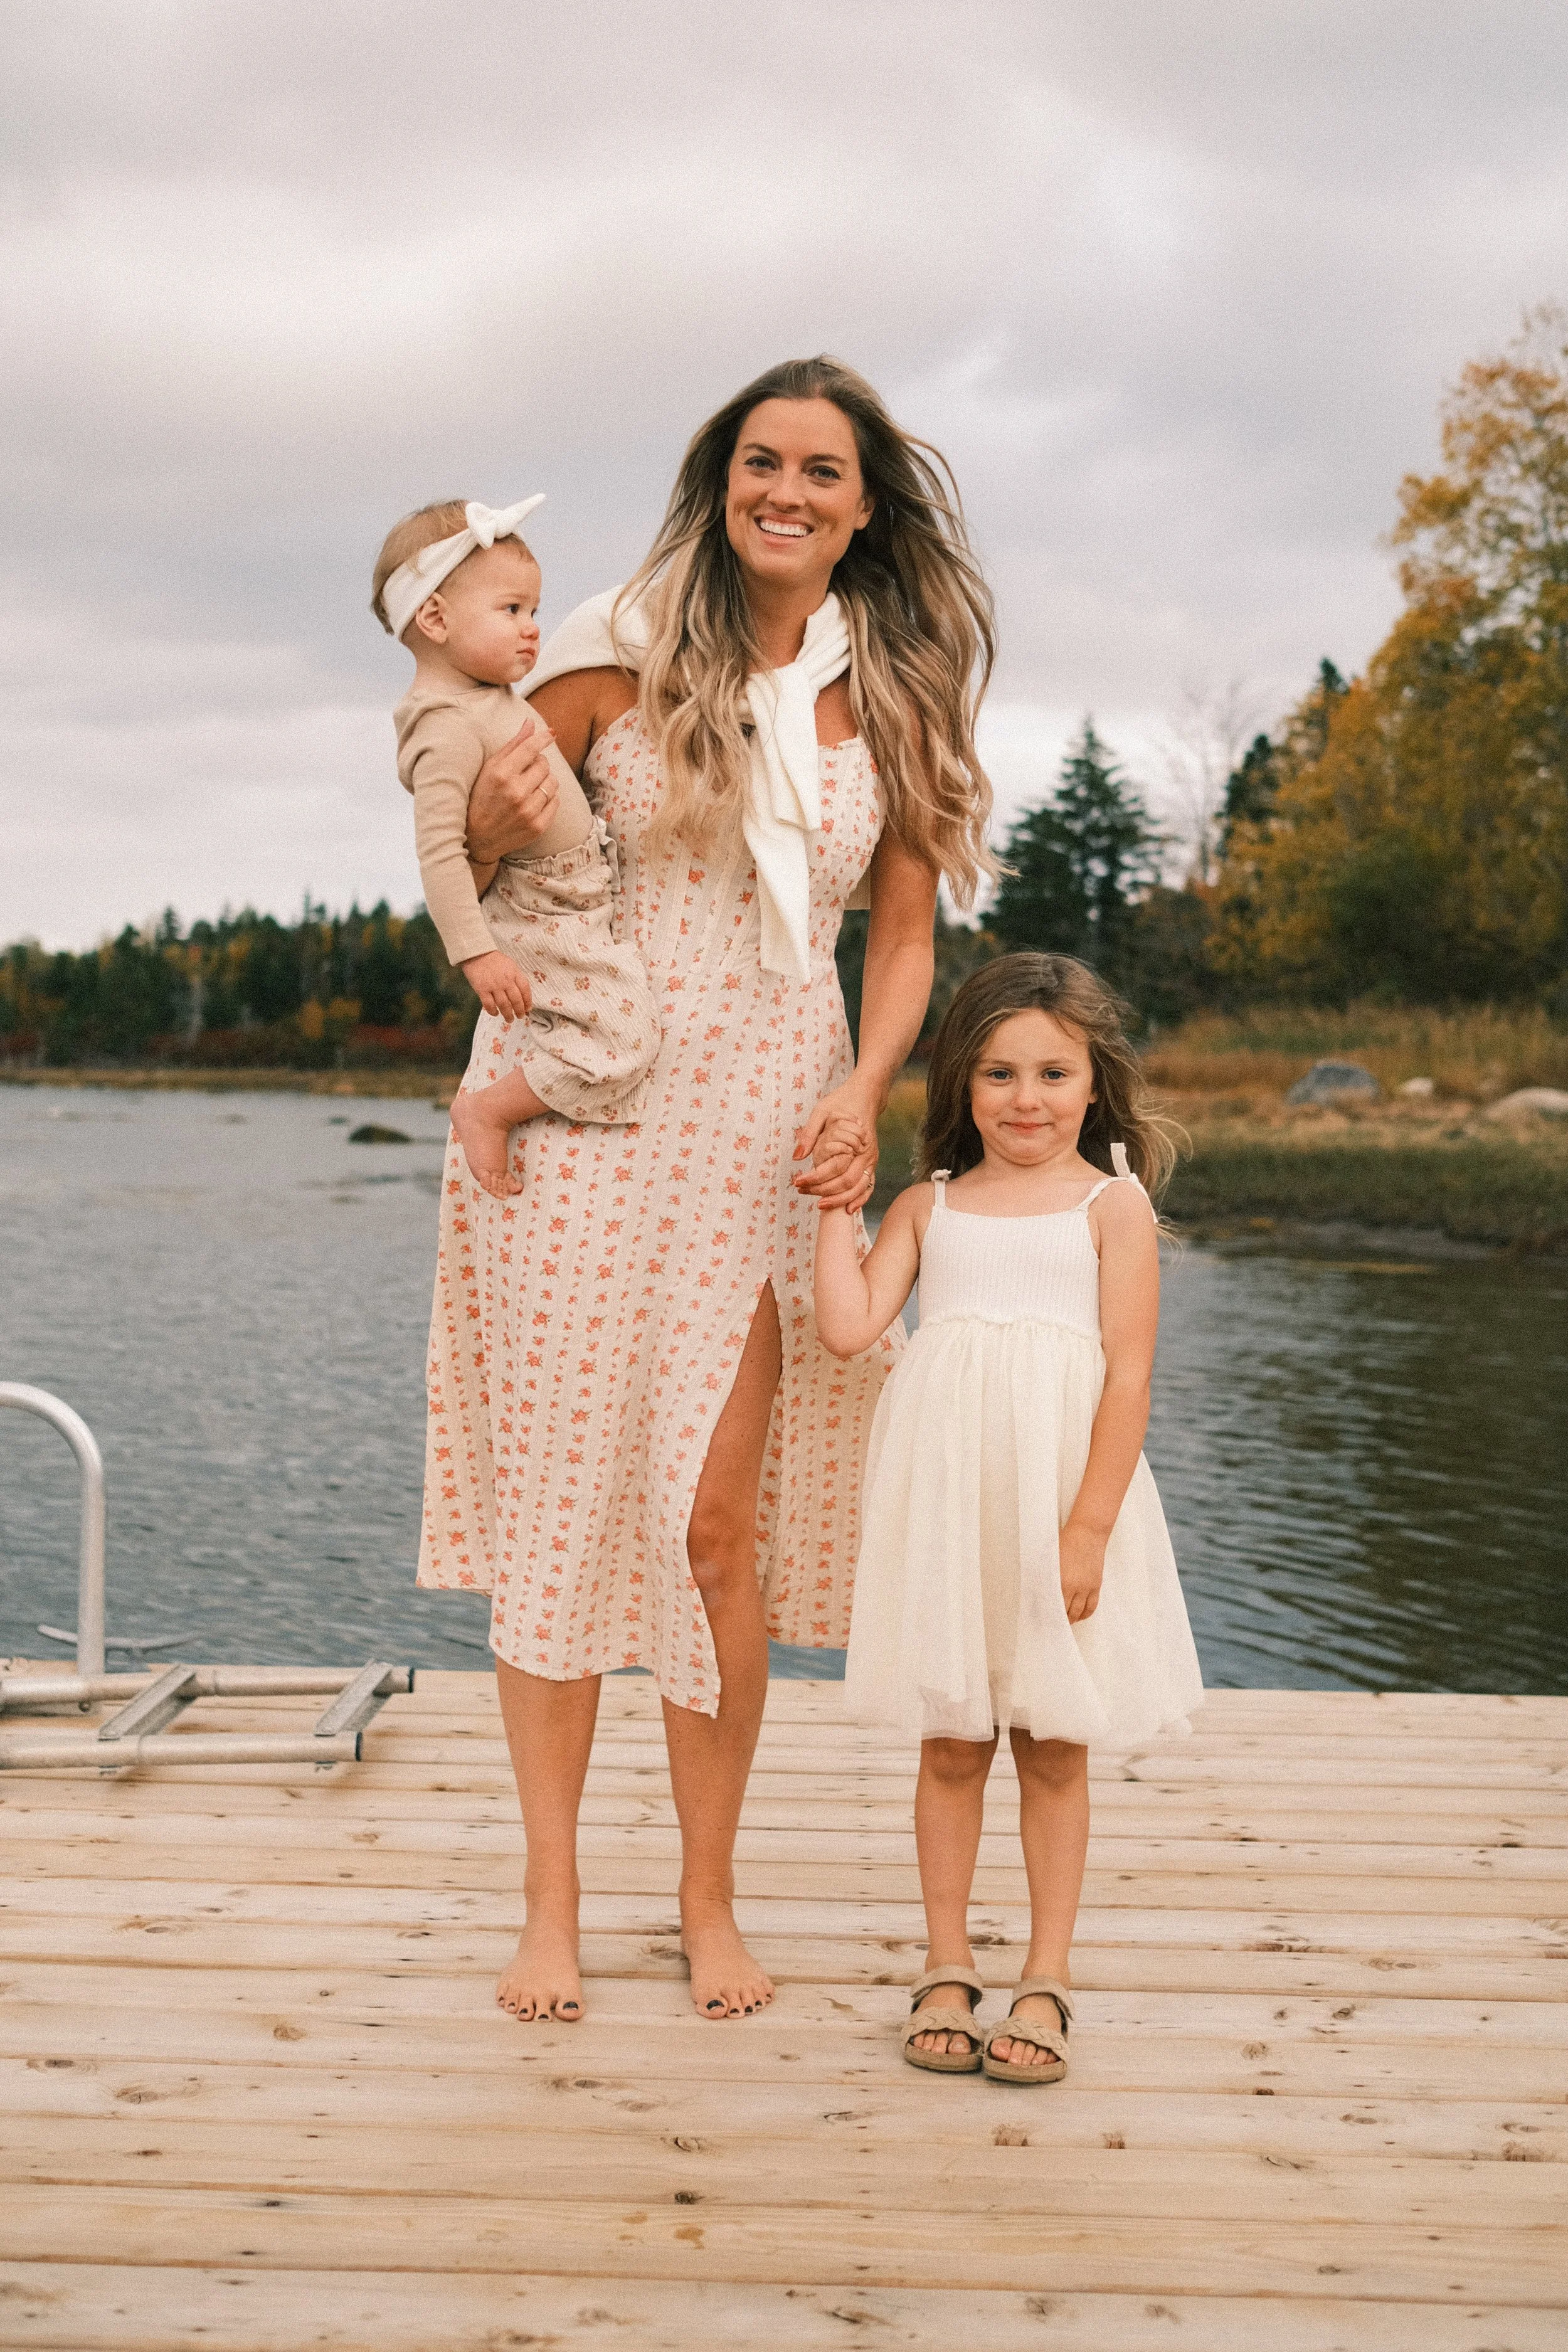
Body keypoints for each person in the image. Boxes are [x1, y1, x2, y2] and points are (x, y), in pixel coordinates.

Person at [418, 357, 997, 2025]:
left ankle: (705, 1894)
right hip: (585, 1110)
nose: (786, 491)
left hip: (764, 1113)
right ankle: (551, 1903)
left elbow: (898, 933)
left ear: (862, 503)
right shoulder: (612, 647)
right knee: (558, 1511)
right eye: (761, 461)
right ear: (720, 476)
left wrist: (862, 1083)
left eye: (821, 469)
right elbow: (471, 848)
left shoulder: (884, 692)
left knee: (710, 1525)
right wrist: (494, 797)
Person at [813, 953, 1205, 2082]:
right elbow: (850, 1327)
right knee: (950, 1742)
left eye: (1051, 1073)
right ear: (959, 1084)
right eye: (997, 1072)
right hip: (953, 1511)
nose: (1024, 1099)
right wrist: (834, 1218)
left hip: (1063, 1505)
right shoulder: (928, 1206)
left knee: (1050, 1741)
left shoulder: (1110, 1207)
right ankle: (946, 1962)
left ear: (1094, 1084)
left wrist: (1087, 1527)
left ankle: (1046, 1975)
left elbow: (1127, 1378)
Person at [373, 495, 660, 1194]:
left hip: (574, 889)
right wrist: (477, 955)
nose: (533, 632)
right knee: (622, 1042)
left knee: (619, 1023)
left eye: (534, 611)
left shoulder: (485, 697)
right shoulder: (443, 727)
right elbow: (440, 854)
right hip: (538, 906)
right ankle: (488, 1110)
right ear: (435, 619)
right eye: (511, 612)